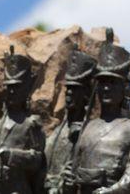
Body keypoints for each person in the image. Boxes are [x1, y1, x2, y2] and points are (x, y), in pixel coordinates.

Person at [69, 29, 130, 194]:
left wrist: (113, 191)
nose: (106, 88)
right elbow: (75, 169)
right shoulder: (87, 128)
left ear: (125, 89)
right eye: (102, 82)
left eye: (112, 83)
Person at [0, 46, 46, 194]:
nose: (12, 91)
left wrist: (12, 155)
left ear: (27, 88)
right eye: (9, 87)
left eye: (17, 87)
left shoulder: (31, 124)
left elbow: (37, 160)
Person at [45, 46, 97, 193]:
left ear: (86, 94)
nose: (68, 94)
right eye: (68, 89)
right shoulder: (57, 132)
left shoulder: (91, 134)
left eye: (75, 90)